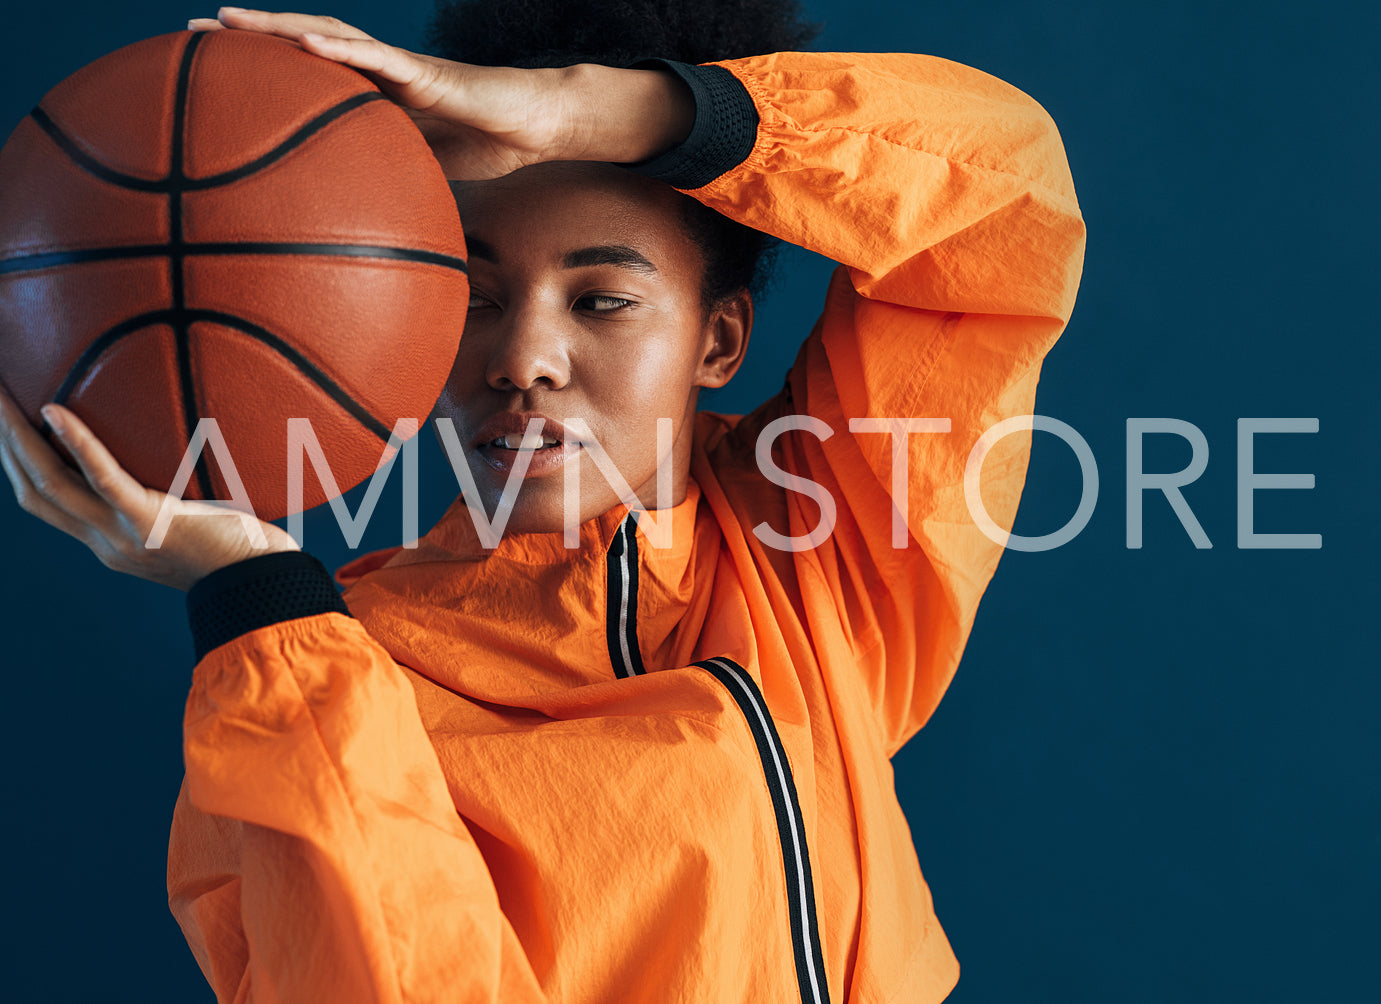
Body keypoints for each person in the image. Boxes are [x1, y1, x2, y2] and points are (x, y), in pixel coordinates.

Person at [0, 1, 1085, 999]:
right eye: (468, 297)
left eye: (602, 298)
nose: (523, 358)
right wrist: (256, 598)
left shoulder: (817, 555)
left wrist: (586, 109)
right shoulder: (322, 676)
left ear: (718, 341)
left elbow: (999, 196)